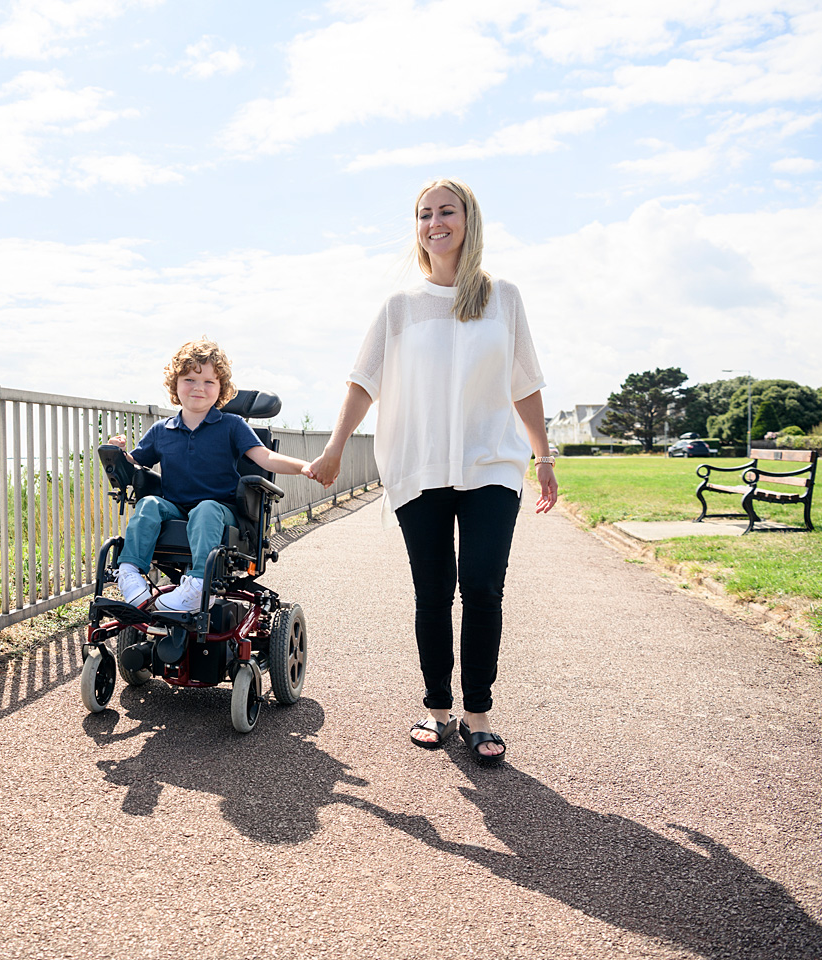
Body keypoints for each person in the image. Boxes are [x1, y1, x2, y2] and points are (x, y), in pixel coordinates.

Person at [304, 178, 557, 765]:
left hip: (490, 463)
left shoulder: (504, 298)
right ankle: (438, 707)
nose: (435, 222)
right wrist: (336, 448)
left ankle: (479, 713)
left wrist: (542, 456)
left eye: (447, 211)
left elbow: (526, 385)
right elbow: (363, 382)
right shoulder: (400, 308)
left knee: (484, 588)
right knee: (434, 591)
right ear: (417, 228)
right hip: (419, 467)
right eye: (425, 214)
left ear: (469, 221)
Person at [110, 338, 311, 614]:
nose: (198, 388)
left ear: (221, 389)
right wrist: (117, 451)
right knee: (148, 505)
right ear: (175, 384)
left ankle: (197, 584)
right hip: (177, 509)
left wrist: (304, 467)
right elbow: (135, 462)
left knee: (205, 510)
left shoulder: (231, 425)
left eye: (208, 382)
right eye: (190, 379)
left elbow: (264, 458)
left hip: (222, 511)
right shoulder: (162, 430)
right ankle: (130, 572)